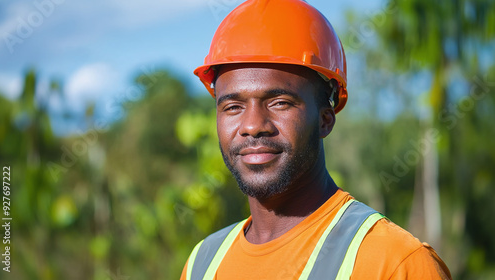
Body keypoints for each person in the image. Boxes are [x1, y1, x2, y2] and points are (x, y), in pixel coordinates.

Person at [181, 0, 451, 279]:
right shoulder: (202, 263)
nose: (252, 126)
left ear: (325, 119)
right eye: (233, 107)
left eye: (279, 103)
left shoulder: (394, 263)